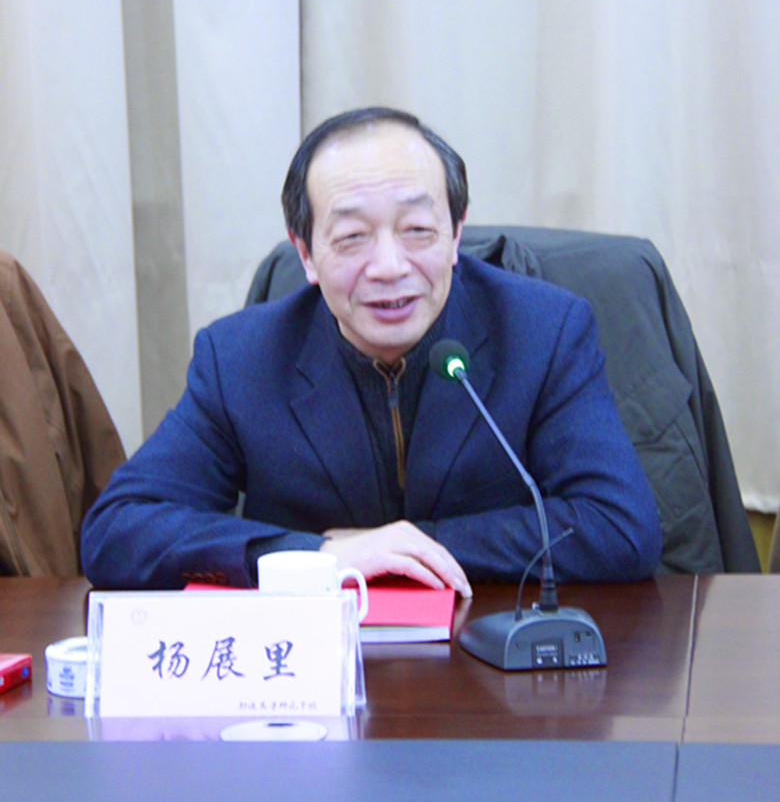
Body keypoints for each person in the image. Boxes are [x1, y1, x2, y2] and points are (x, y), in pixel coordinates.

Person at [81, 107, 662, 593]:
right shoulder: (240, 359)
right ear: (306, 253)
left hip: (491, 663)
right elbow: (117, 533)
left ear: (456, 234)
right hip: (310, 674)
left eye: (418, 231)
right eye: (352, 237)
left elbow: (620, 527)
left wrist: (411, 547)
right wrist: (315, 556)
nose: (389, 267)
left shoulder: (544, 332)